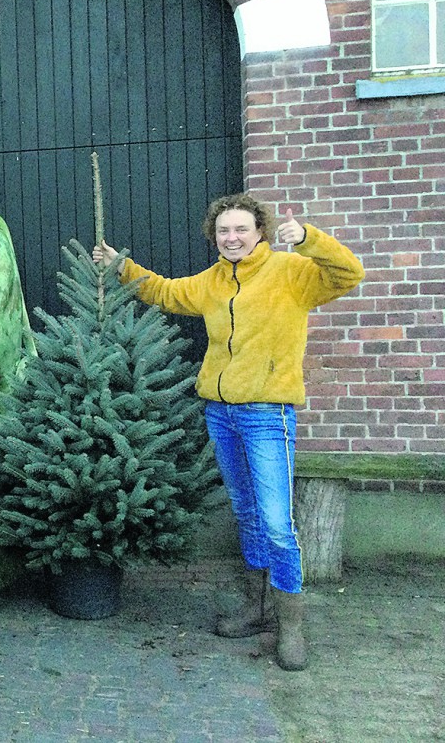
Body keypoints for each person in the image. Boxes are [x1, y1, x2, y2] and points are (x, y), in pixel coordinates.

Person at [93, 194, 364, 671]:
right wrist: (122, 267)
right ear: (214, 236)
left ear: (260, 231)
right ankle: (257, 608)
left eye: (241, 229)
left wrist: (309, 240)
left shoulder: (290, 273)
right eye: (224, 231)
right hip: (221, 412)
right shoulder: (214, 279)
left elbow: (348, 274)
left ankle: (291, 625)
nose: (232, 238)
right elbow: (167, 292)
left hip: (267, 411)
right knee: (248, 513)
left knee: (278, 522)